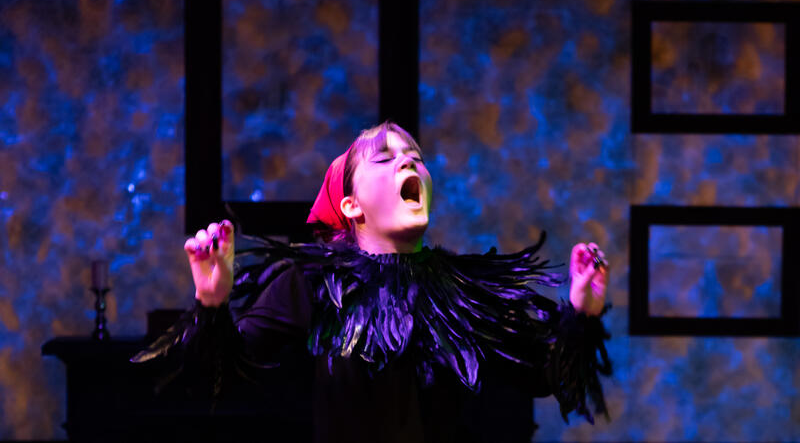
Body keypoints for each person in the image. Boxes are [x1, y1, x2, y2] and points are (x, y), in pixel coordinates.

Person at [134, 122, 612, 442]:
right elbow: (218, 380)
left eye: (415, 157)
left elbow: (541, 376)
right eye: (385, 159)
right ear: (352, 205)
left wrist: (580, 313)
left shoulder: (463, 291)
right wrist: (212, 304)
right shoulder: (309, 283)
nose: (409, 163)